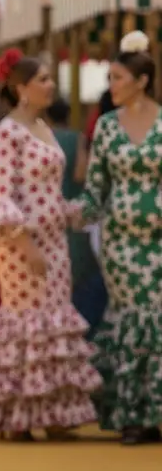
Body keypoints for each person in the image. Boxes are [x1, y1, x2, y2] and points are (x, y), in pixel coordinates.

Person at [0, 50, 101, 440]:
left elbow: (49, 189)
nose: (49, 85)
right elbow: (4, 193)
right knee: (26, 320)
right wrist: (25, 245)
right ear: (20, 88)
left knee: (53, 318)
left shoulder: (43, 127)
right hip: (20, 242)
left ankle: (52, 412)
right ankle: (18, 415)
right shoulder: (7, 132)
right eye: (41, 79)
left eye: (48, 79)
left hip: (55, 238)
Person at [71, 31, 162, 446]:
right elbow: (95, 190)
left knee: (157, 320)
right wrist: (68, 216)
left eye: (118, 78)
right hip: (121, 244)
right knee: (132, 320)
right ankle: (131, 415)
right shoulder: (107, 127)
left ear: (142, 80)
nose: (112, 87)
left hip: (159, 243)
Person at [46, 96, 105, 333]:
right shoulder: (78, 138)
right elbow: (82, 173)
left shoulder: (41, 140)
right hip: (74, 208)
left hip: (48, 209)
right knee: (79, 265)